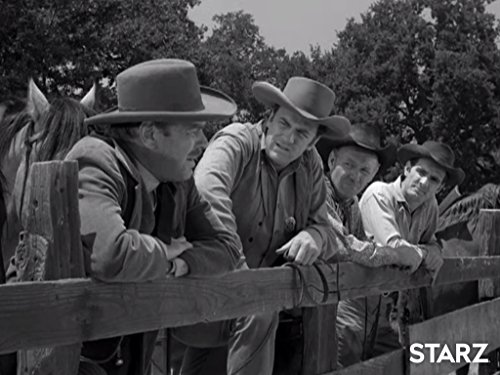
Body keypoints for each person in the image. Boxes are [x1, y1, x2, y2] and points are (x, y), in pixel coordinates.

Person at [64, 59, 242, 375]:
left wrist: (178, 263)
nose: (203, 143)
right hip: (64, 359)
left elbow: (227, 250)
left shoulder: (179, 182)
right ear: (149, 134)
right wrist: (164, 251)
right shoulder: (95, 158)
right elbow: (111, 255)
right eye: (193, 131)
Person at [173, 76, 351, 375]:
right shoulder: (236, 140)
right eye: (284, 124)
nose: (290, 138)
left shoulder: (310, 166)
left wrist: (315, 236)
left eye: (302, 133)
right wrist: (244, 277)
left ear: (314, 141)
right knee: (259, 307)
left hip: (249, 319)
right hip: (201, 295)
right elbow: (207, 196)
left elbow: (331, 231)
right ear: (269, 118)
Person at [316, 123, 425, 367]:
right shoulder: (318, 193)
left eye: (365, 170)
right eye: (349, 165)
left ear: (374, 173)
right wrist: (397, 254)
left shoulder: (352, 203)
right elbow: (346, 248)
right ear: (332, 160)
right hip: (301, 316)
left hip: (342, 311)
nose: (356, 176)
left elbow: (362, 248)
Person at [358, 140, 464, 357]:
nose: (425, 182)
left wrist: (434, 250)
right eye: (421, 172)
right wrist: (427, 254)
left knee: (398, 365)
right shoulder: (379, 193)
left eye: (434, 179)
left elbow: (430, 242)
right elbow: (397, 250)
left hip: (385, 309)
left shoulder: (430, 205)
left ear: (440, 187)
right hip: (353, 304)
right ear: (407, 169)